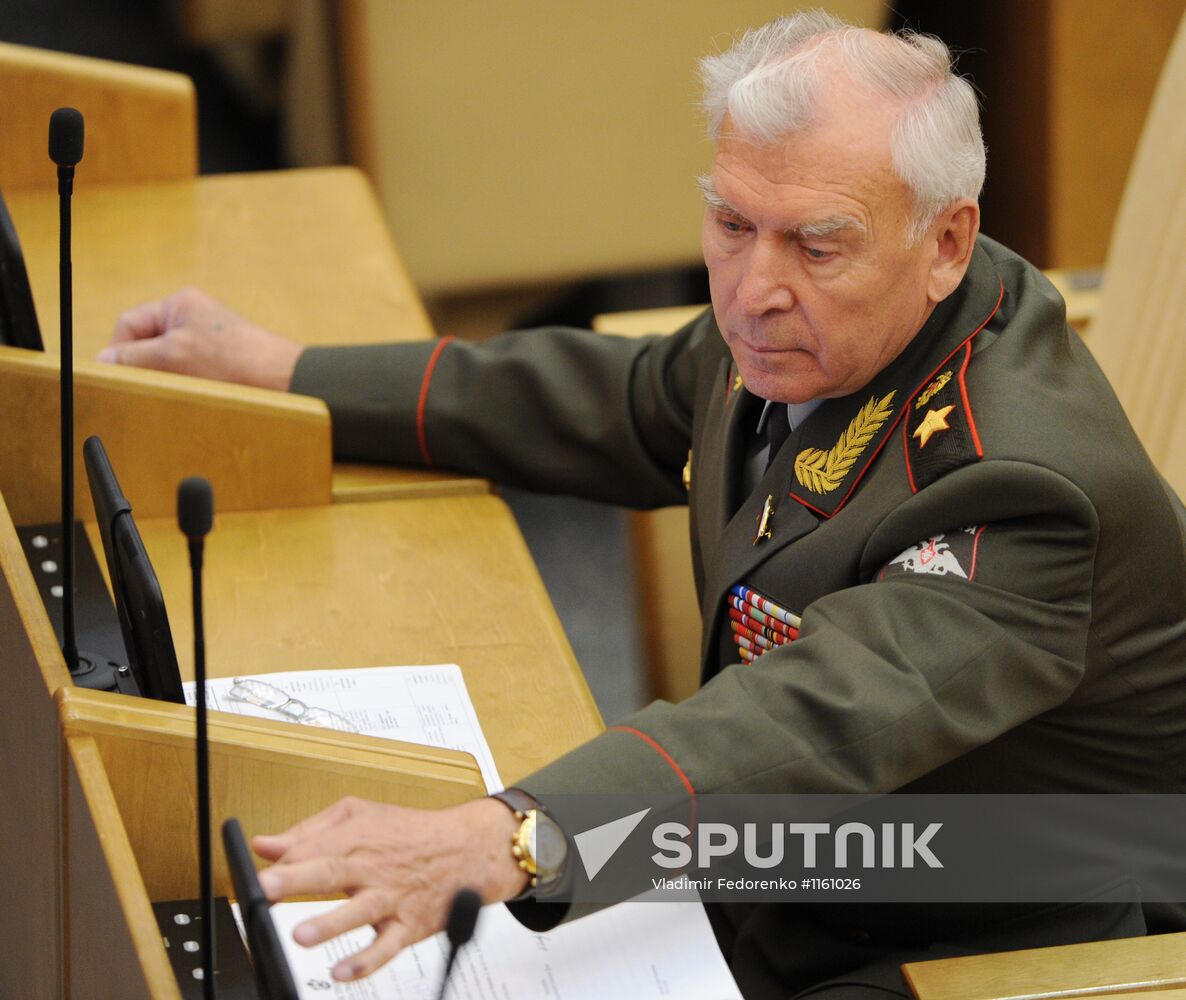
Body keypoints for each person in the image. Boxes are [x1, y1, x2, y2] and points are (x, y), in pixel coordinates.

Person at [99, 11, 1186, 998]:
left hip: (987, 921)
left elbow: (814, 712)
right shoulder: (833, 316)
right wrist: (291, 373)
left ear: (946, 241)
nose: (752, 290)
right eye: (730, 222)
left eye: (816, 244)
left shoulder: (1021, 489)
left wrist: (510, 838)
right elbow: (608, 403)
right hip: (788, 856)